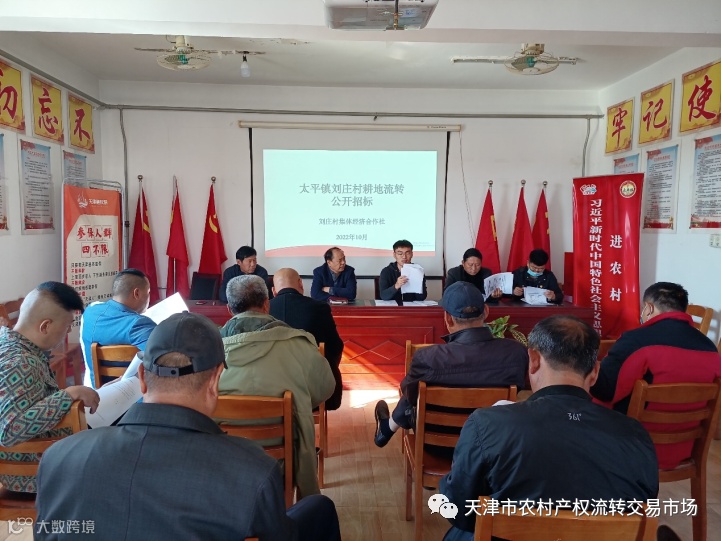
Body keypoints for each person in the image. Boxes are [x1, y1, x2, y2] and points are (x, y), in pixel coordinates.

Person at [35, 312, 341, 541]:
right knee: (318, 508)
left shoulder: (59, 457)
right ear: (215, 380)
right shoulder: (253, 469)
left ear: (141, 378)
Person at [439, 315, 659, 541]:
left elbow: (457, 511)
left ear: (533, 360)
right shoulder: (636, 435)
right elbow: (644, 505)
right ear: (594, 372)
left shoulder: (488, 424)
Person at [219, 275, 336, 499]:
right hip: (282, 465)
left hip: (224, 465)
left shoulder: (208, 352)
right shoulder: (297, 343)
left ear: (229, 309)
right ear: (267, 304)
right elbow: (325, 388)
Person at [373, 281, 528, 448]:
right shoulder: (517, 352)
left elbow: (409, 395)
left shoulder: (427, 358)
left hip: (436, 444)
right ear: (486, 311)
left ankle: (387, 428)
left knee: (415, 390)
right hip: (492, 444)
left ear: (447, 318)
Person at [0, 282, 99, 493]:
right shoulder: (21, 362)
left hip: (43, 452)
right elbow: (9, 430)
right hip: (30, 471)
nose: (69, 330)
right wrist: (69, 394)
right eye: (67, 325)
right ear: (45, 326)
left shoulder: (8, 341)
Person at [591, 281, 719, 414]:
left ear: (649, 308)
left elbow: (605, 391)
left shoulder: (635, 340)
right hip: (694, 426)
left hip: (634, 426)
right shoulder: (711, 348)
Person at [270, 268, 345, 410]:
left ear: (273, 290)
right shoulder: (319, 307)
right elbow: (335, 346)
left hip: (271, 392)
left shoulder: (263, 310)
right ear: (301, 284)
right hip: (313, 393)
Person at [80, 268, 156, 388]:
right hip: (134, 392)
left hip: (98, 392)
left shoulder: (90, 312)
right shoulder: (139, 324)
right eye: (148, 292)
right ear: (136, 293)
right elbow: (163, 358)